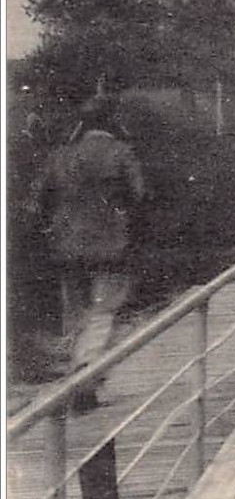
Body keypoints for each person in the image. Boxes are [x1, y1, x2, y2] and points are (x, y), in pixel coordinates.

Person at [33, 95, 148, 401]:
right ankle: (88, 369)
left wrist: (52, 228)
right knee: (104, 309)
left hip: (67, 245)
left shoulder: (62, 155)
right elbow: (139, 194)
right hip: (110, 244)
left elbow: (41, 198)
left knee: (75, 311)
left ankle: (77, 372)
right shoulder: (121, 153)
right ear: (112, 122)